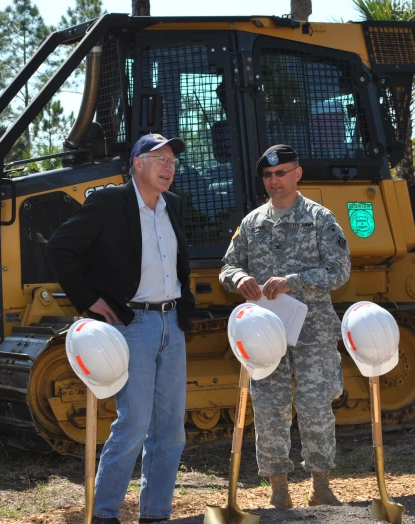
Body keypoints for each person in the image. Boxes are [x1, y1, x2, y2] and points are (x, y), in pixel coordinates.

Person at [45, 133, 195, 524]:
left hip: (172, 324)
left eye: (173, 162)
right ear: (138, 164)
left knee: (171, 431)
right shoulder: (109, 203)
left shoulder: (173, 206)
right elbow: (59, 247)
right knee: (134, 423)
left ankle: (156, 515)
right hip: (133, 325)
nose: (169, 167)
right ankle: (106, 514)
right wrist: (88, 298)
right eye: (160, 159)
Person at [219, 144, 351, 508]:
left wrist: (294, 280)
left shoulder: (320, 218)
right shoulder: (252, 223)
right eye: (268, 175)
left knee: (315, 406)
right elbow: (227, 267)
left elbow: (340, 271)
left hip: (313, 330)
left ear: (297, 174)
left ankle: (321, 485)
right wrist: (240, 278)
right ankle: (278, 489)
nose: (274, 180)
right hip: (265, 336)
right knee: (269, 408)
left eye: (281, 173)